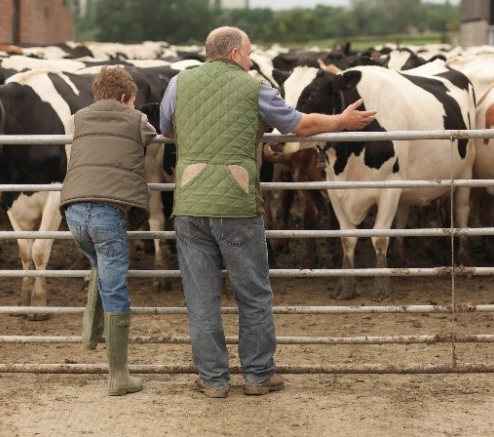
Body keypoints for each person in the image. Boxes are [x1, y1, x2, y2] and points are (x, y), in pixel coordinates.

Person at [160, 26, 376, 398]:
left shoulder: (178, 84)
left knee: (201, 297)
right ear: (233, 54)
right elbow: (300, 125)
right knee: (253, 293)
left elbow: (166, 129)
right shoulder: (255, 87)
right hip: (236, 201)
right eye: (247, 53)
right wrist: (341, 121)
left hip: (190, 203)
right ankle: (258, 375)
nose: (249, 59)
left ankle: (213, 380)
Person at [60, 66, 157, 396]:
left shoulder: (77, 118)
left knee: (99, 267)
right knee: (115, 287)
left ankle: (91, 332)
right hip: (107, 212)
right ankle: (118, 376)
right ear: (126, 97)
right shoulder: (137, 120)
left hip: (73, 212)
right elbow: (151, 137)